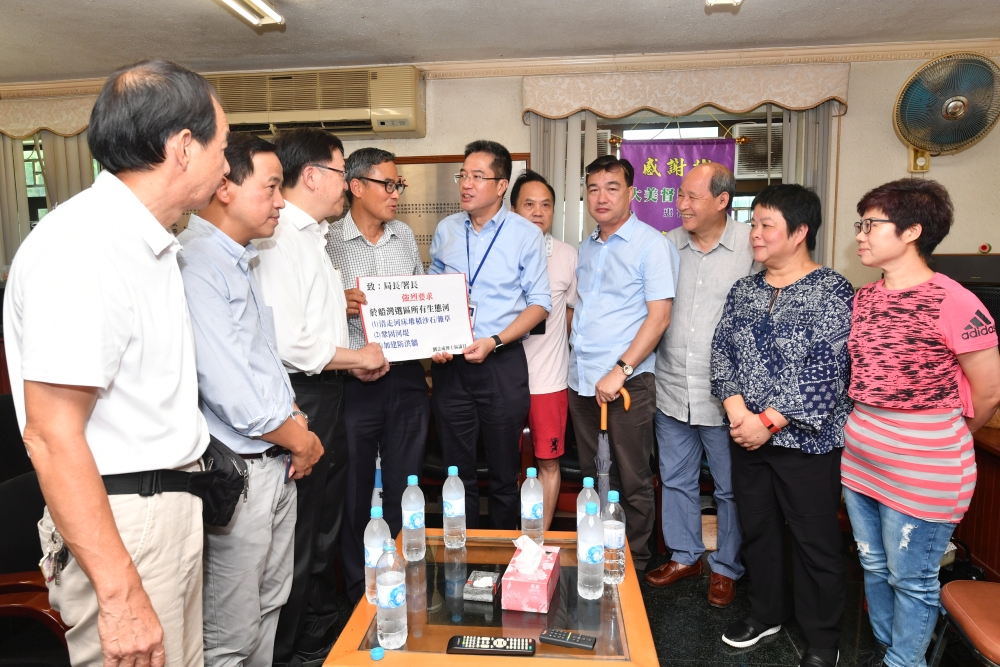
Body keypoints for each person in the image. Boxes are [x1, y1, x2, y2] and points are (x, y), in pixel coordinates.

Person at [4, 60, 228, 667]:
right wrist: (120, 591)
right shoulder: (84, 248)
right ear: (184, 146)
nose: (227, 166)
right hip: (123, 522)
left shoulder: (144, 242)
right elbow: (52, 434)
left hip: (160, 511)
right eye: (223, 146)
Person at [177, 134, 325, 667]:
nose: (281, 201)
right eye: (269, 188)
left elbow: (262, 357)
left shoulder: (241, 258)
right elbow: (231, 389)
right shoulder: (197, 265)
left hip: (274, 457)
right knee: (230, 630)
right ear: (224, 189)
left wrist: (296, 424)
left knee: (269, 604)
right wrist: (301, 439)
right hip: (241, 467)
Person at [842, 179, 1000, 667]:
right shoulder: (864, 298)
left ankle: (904, 662)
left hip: (926, 465)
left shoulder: (955, 301)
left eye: (872, 225)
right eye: (860, 224)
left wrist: (944, 440)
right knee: (872, 563)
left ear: (912, 230)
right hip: (861, 459)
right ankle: (891, 650)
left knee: (911, 577)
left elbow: (990, 391)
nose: (861, 235)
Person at [251, 129, 387, 667]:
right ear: (313, 175)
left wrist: (344, 305)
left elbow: (310, 318)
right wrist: (360, 358)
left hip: (328, 394)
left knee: (322, 524)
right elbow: (289, 341)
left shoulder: (311, 237)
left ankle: (318, 635)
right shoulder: (281, 237)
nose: (346, 185)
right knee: (303, 533)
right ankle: (295, 650)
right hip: (302, 394)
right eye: (340, 172)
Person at [711, 184, 852, 667]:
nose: (755, 234)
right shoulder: (744, 290)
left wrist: (767, 422)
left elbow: (826, 368)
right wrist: (737, 413)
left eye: (766, 225)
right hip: (746, 436)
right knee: (759, 531)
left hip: (806, 443)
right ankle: (766, 612)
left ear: (799, 232)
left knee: (815, 542)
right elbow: (721, 354)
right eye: (754, 224)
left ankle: (822, 638)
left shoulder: (831, 290)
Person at [428, 140, 551, 530]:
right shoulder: (447, 229)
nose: (466, 183)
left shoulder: (523, 234)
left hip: (501, 365)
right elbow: (433, 294)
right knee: (457, 474)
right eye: (463, 174)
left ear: (501, 186)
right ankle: (458, 556)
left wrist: (496, 340)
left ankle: (501, 562)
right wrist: (436, 342)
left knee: (502, 475)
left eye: (477, 176)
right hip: (451, 369)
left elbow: (540, 304)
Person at [646, 163, 753, 607]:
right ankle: (685, 554)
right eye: (679, 195)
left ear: (722, 201)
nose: (681, 205)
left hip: (729, 398)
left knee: (729, 487)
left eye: (692, 197)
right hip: (672, 385)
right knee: (676, 479)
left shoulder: (752, 245)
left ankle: (726, 566)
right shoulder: (667, 245)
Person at [326, 147, 430, 604]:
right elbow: (304, 318)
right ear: (356, 187)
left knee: (406, 487)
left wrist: (436, 336)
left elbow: (421, 295)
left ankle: (404, 582)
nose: (396, 193)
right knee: (353, 493)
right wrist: (336, 301)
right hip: (352, 384)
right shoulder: (326, 240)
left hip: (406, 380)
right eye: (388, 185)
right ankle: (357, 592)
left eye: (399, 185)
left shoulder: (404, 236)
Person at [569, 155, 678, 573]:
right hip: (580, 380)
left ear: (631, 194)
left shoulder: (652, 245)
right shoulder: (587, 246)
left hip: (627, 383)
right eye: (593, 188)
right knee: (596, 476)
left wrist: (622, 369)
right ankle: (598, 553)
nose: (601, 197)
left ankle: (634, 562)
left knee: (632, 479)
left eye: (612, 188)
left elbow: (660, 316)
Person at [511, 170, 578, 531]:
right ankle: (509, 537)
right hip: (502, 379)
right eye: (529, 204)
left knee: (549, 463)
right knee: (505, 463)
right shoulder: (497, 254)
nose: (538, 212)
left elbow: (570, 318)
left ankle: (538, 539)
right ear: (512, 209)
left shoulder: (567, 256)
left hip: (548, 381)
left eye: (546, 205)